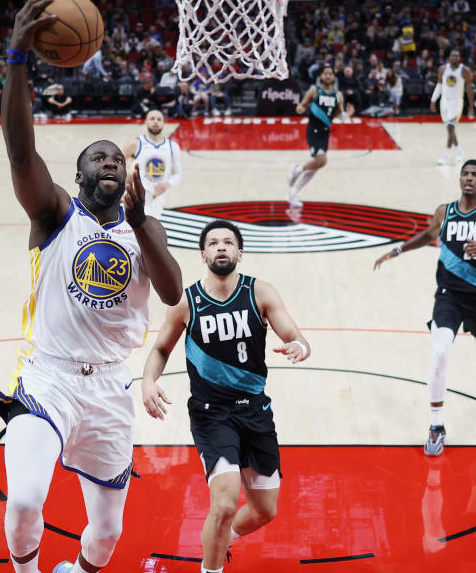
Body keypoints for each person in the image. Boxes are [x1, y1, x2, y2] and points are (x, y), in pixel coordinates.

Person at [0, 0, 183, 573]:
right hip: (49, 377)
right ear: (77, 176)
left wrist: (143, 222)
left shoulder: (146, 229)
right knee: (23, 499)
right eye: (96, 158)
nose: (109, 163)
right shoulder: (55, 215)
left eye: (116, 159)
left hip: (111, 390)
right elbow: (21, 152)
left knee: (108, 531)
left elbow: (171, 292)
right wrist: (18, 55)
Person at [141, 220, 310, 573]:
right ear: (203, 254)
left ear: (240, 253)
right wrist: (148, 380)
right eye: (214, 243)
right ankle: (211, 567)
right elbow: (159, 348)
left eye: (228, 242)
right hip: (211, 413)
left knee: (266, 510)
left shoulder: (260, 292)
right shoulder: (186, 301)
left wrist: (299, 346)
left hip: (255, 412)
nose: (221, 247)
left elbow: (294, 334)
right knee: (225, 502)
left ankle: (224, 538)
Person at [372, 159, 476, 456]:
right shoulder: (445, 211)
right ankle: (436, 424)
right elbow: (430, 234)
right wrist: (398, 249)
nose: (469, 178)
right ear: (459, 179)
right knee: (440, 351)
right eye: (465, 174)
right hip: (448, 294)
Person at [287, 66, 344, 208]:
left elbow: (341, 114)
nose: (328, 76)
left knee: (317, 165)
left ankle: (294, 192)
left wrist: (348, 113)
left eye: (330, 74)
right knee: (321, 161)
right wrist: (300, 108)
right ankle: (297, 169)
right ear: (321, 76)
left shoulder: (338, 95)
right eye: (325, 73)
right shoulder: (314, 91)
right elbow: (301, 106)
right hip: (313, 130)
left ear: (334, 77)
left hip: (325, 132)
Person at [121, 109, 183, 219]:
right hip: (137, 197)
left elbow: (178, 174)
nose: (155, 122)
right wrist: (121, 185)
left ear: (163, 123)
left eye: (159, 119)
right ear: (146, 121)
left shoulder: (172, 147)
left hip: (158, 198)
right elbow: (115, 164)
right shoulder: (136, 144)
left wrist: (167, 184)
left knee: (152, 231)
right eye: (152, 118)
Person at [430, 49, 474, 165]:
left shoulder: (465, 70)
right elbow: (439, 85)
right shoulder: (442, 69)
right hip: (444, 102)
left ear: (460, 58)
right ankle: (460, 152)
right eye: (452, 55)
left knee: (450, 127)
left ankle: (446, 155)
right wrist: (433, 100)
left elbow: (469, 89)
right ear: (449, 57)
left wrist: (471, 106)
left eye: (456, 56)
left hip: (457, 102)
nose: (454, 57)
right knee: (450, 129)